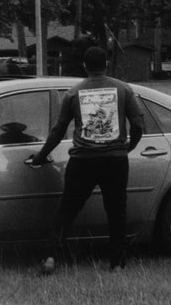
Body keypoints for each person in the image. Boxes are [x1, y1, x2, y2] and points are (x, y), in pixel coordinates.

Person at [26, 44, 144, 271]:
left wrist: (41, 156)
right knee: (117, 210)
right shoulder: (123, 90)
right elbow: (138, 124)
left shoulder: (73, 93)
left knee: (67, 209)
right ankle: (117, 262)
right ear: (106, 64)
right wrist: (128, 147)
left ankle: (51, 257)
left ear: (84, 66)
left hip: (82, 160)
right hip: (115, 160)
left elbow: (58, 130)